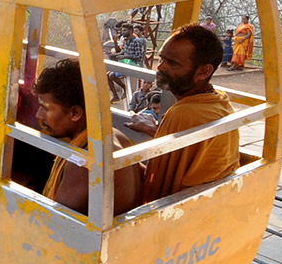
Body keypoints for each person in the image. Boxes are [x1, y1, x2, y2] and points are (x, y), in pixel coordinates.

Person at [128, 24, 240, 203]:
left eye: (172, 63)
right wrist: (157, 131)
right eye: (161, 58)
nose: (161, 67)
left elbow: (157, 184)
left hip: (182, 209)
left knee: (115, 147)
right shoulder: (219, 99)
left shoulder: (183, 113)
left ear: (204, 71)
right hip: (211, 201)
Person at [33, 58, 142, 216]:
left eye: (45, 108)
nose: (38, 115)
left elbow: (54, 223)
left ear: (75, 113)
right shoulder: (116, 135)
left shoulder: (84, 161)